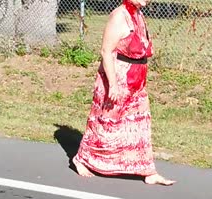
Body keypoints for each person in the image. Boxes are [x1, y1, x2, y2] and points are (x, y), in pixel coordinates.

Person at [72, 0, 176, 186]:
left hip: (136, 79)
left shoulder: (137, 14)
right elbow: (106, 51)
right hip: (118, 77)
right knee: (105, 122)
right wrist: (112, 85)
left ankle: (148, 171)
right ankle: (82, 159)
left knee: (140, 125)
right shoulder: (119, 16)